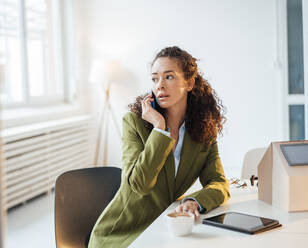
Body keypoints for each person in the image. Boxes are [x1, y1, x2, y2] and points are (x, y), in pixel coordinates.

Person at [88, 46, 230, 248]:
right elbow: (139, 185)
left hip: (165, 230)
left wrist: (194, 201)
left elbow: (218, 182)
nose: (159, 86)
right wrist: (159, 130)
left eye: (169, 77)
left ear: (190, 83)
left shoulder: (203, 129)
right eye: (155, 79)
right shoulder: (134, 122)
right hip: (123, 235)